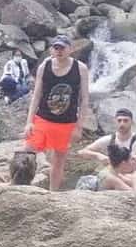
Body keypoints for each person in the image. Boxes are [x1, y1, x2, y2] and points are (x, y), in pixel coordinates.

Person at [24, 35, 90, 191]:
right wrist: (29, 122)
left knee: (59, 160)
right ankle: (22, 187)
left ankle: (53, 194)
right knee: (27, 152)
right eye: (56, 48)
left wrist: (79, 126)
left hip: (67, 122)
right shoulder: (44, 67)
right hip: (43, 118)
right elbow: (36, 95)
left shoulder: (80, 68)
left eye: (63, 48)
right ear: (51, 50)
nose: (59, 51)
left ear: (70, 49)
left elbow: (85, 98)